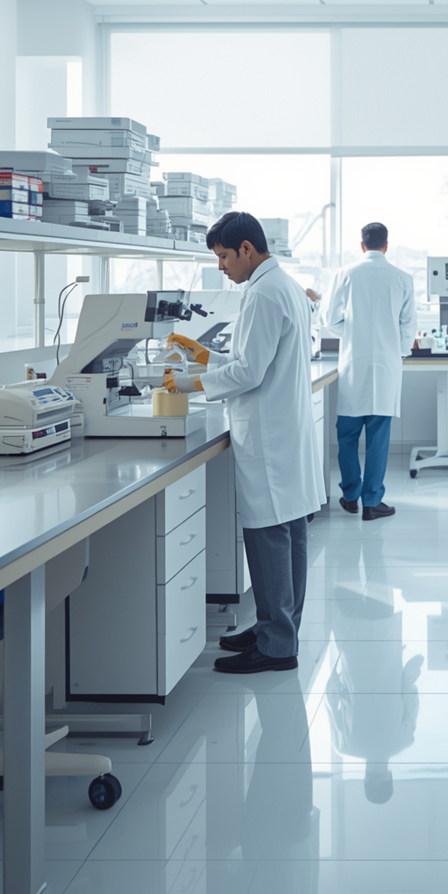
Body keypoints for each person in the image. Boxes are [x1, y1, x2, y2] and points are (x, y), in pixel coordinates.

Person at [166, 211, 324, 674]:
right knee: (290, 533)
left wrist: (191, 383)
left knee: (269, 535)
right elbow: (253, 357)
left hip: (269, 435)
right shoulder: (284, 286)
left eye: (223, 257)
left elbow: (250, 371)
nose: (221, 267)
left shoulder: (262, 293)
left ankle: (277, 645)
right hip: (284, 428)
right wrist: (207, 357)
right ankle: (279, 627)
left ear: (247, 250)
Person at [324, 222, 416, 520]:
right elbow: (408, 326)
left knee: (347, 435)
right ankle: (372, 502)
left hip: (354, 364)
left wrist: (352, 333)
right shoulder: (403, 278)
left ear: (361, 245)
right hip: (387, 367)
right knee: (378, 438)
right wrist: (397, 350)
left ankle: (351, 496)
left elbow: (329, 319)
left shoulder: (344, 274)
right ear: (386, 245)